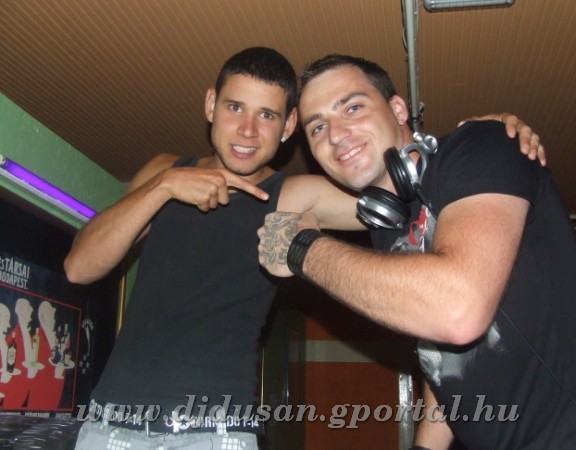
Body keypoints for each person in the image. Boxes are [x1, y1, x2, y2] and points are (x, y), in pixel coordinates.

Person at [64, 47, 543, 450]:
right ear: (211, 104)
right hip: (108, 424)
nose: (248, 130)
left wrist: (481, 135)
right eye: (235, 108)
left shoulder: (292, 194)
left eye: (267, 115)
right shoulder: (164, 171)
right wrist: (164, 187)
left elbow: (407, 191)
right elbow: (79, 267)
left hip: (214, 433)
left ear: (289, 124)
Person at [257, 54, 576, 449]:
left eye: (352, 107)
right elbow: (445, 358)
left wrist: (305, 250)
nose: (335, 134)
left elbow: (456, 312)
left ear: (398, 109)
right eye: (318, 127)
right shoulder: (388, 228)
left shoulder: (479, 148)